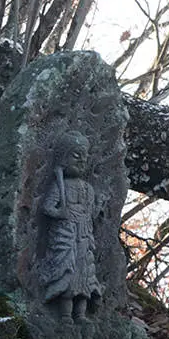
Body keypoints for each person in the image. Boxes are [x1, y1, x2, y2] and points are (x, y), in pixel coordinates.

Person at [39, 131, 103, 322]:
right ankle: (65, 313)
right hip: (66, 236)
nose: (82, 160)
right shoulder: (61, 186)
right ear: (63, 158)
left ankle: (81, 314)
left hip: (84, 235)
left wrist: (99, 205)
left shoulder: (88, 189)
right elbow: (47, 206)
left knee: (84, 278)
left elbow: (90, 214)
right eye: (76, 155)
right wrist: (59, 213)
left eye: (85, 156)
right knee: (68, 277)